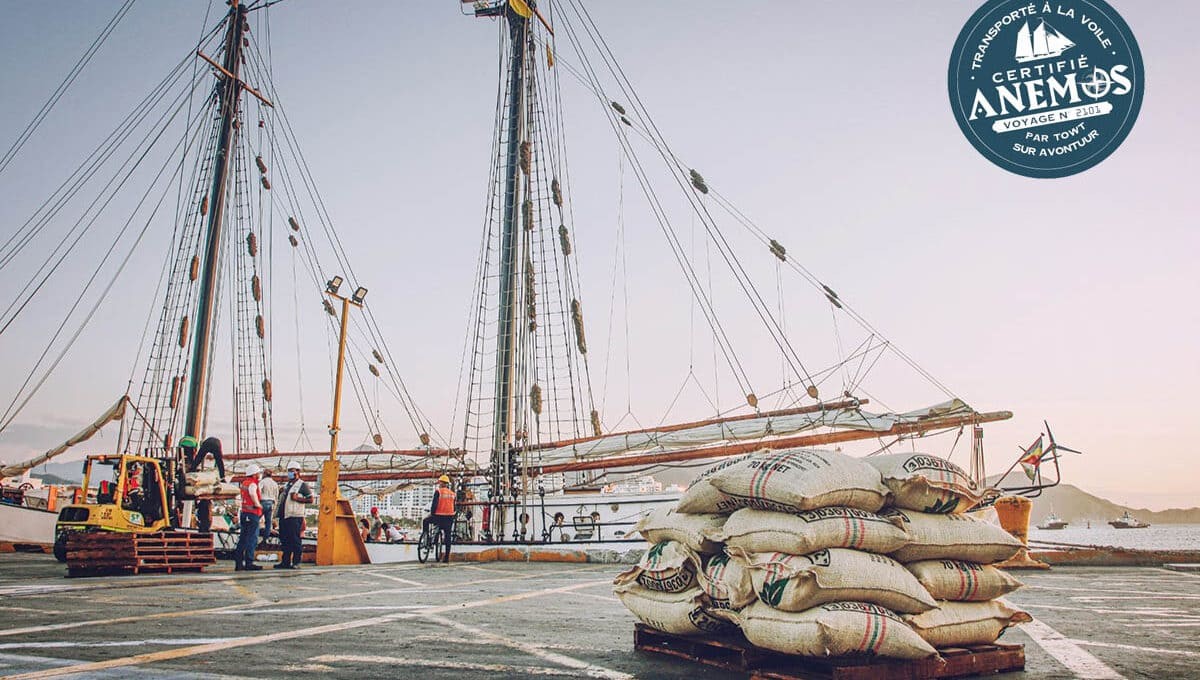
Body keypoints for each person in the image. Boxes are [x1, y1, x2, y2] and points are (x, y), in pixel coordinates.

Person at [276, 460, 312, 569]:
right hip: (285, 516)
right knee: (285, 540)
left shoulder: (302, 485)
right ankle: (285, 562)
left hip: (295, 516)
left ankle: (296, 562)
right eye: (289, 471)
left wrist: (298, 499)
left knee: (295, 540)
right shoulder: (287, 485)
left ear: (298, 472)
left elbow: (310, 499)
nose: (290, 473)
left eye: (292, 471)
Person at [235, 463, 264, 571]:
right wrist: (258, 504)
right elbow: (252, 494)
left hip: (244, 513)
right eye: (258, 473)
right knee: (252, 538)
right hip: (253, 514)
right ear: (254, 474)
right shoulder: (252, 484)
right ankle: (249, 562)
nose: (259, 475)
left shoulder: (244, 484)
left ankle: (238, 562)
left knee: (243, 538)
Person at [422, 475, 456, 563]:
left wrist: (431, 514)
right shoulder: (452, 494)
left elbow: (434, 505)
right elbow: (454, 507)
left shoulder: (438, 492)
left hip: (438, 516)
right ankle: (446, 557)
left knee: (425, 521)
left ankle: (426, 538)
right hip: (449, 517)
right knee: (448, 536)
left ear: (441, 482)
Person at [257, 469, 279, 542]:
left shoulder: (262, 482)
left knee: (256, 519)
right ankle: (265, 539)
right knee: (268, 522)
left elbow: (258, 491)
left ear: (264, 474)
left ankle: (255, 536)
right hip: (271, 503)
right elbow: (277, 496)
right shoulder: (275, 483)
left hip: (263, 502)